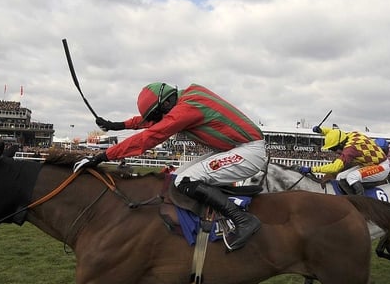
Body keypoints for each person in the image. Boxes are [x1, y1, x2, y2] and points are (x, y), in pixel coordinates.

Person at [72, 82, 266, 251]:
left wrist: (102, 156)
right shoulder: (185, 98)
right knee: (175, 177)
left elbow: (151, 135)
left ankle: (243, 220)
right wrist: (118, 125)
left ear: (166, 104)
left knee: (185, 181)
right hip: (231, 149)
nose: (157, 119)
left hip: (248, 151)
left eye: (159, 114)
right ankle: (213, 219)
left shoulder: (187, 108)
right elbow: (154, 121)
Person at [299, 126, 389, 195]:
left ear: (341, 144)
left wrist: (312, 169)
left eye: (334, 148)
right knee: (340, 177)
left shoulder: (350, 149)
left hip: (381, 167)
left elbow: (335, 168)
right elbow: (332, 132)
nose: (335, 152)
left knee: (352, 177)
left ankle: (362, 203)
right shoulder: (350, 135)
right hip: (368, 164)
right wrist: (321, 130)